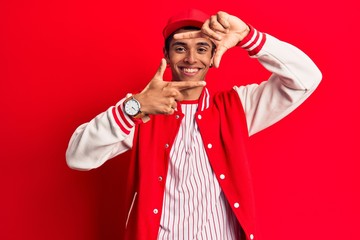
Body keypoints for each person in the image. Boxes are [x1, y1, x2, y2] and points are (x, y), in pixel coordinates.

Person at [66, 8, 322, 240]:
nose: (191, 58)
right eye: (180, 48)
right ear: (166, 54)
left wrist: (247, 36)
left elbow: (307, 78)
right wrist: (134, 107)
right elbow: (78, 157)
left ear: (213, 56)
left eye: (201, 48)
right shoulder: (142, 110)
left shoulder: (238, 107)